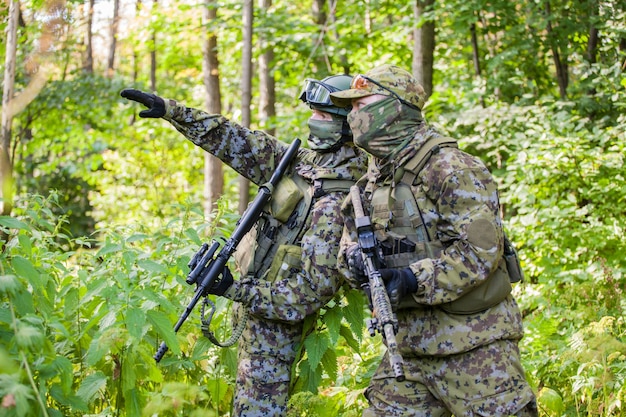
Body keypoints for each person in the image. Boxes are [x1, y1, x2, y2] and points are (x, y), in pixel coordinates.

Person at [121, 75, 367, 416]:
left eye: (323, 116)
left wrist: (236, 289)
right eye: (312, 113)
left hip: (276, 335)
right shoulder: (301, 163)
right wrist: (172, 111)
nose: (314, 121)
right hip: (255, 317)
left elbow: (308, 295)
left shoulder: (342, 201)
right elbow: (232, 138)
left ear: (348, 124)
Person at [329, 64, 538, 416]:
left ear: (394, 108)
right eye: (350, 108)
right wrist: (356, 264)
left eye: (360, 105)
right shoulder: (372, 180)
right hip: (408, 354)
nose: (353, 116)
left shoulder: (450, 168)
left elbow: (482, 252)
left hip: (474, 347)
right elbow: (347, 247)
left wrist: (411, 279)